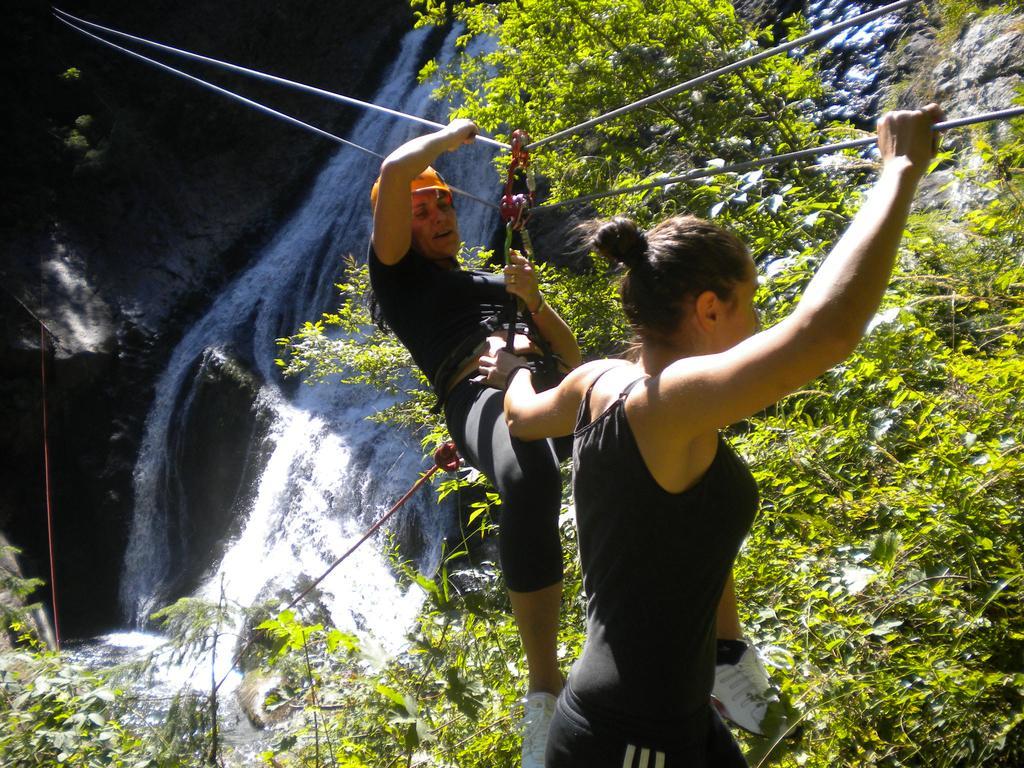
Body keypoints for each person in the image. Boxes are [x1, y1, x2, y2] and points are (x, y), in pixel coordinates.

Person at [485, 104, 943, 766]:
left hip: (665, 721)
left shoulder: (597, 383)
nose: (758, 320)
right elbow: (826, 333)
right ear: (707, 308)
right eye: (750, 301)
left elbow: (521, 415)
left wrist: (512, 373)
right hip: (628, 741)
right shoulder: (665, 404)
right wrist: (898, 168)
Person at [368, 119, 780, 765]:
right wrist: (449, 139)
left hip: (540, 381)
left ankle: (723, 651)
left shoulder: (489, 279)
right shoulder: (400, 282)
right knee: (528, 476)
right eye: (423, 210)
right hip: (476, 393)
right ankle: (544, 689)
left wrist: (533, 301)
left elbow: (570, 352)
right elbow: (394, 174)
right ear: (401, 226)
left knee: (675, 451)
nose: (440, 212)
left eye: (444, 200)